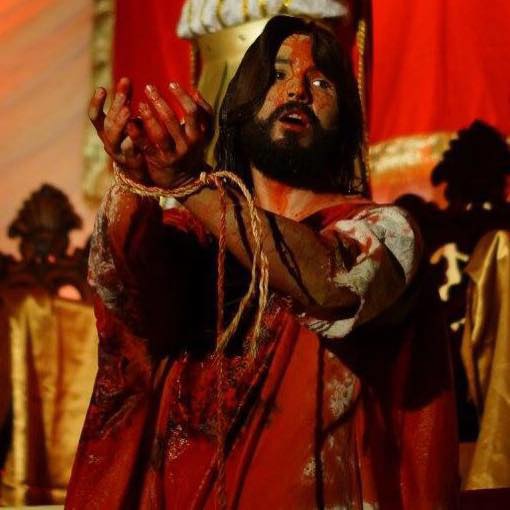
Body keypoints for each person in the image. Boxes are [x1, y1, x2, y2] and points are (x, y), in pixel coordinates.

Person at [66, 16, 458, 510]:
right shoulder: (194, 234)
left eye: (321, 82)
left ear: (346, 121)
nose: (297, 90)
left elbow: (332, 284)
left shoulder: (385, 231)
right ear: (241, 103)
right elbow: (127, 289)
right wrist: (134, 178)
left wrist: (189, 184)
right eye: (277, 74)